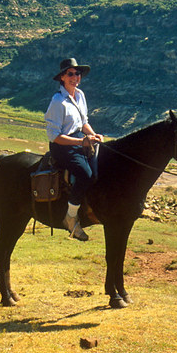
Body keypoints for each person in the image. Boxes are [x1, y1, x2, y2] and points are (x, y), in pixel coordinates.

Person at [45, 57, 103, 241]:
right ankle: (70, 218)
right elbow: (54, 136)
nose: (75, 77)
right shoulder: (57, 101)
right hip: (62, 147)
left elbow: (83, 122)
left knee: (98, 169)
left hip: (80, 139)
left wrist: (93, 136)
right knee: (86, 174)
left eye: (77, 73)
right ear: (62, 77)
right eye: (70, 74)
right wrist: (81, 143)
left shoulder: (80, 95)